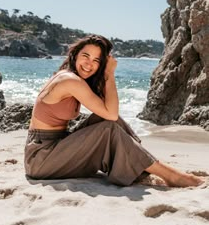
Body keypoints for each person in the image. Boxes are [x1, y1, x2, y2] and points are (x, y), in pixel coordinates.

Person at [24, 34, 203, 187]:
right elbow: (111, 112)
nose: (89, 64)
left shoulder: (73, 77)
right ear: (75, 55)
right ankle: (173, 176)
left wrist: (105, 76)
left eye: (96, 60)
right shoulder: (70, 80)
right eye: (85, 56)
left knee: (107, 122)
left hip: (54, 147)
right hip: (41, 159)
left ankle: (142, 165)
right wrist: (109, 74)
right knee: (107, 127)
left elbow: (109, 113)